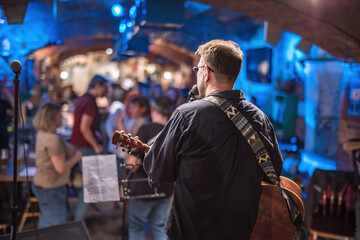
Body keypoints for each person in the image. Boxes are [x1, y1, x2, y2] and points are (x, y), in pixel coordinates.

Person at [143, 39, 283, 240]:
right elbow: (274, 172)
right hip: (240, 232)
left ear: (206, 72)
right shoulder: (260, 118)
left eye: (197, 69)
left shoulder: (186, 115)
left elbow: (158, 171)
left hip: (191, 231)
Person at [126, 96, 174, 240]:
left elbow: (133, 165)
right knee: (159, 226)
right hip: (166, 189)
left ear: (153, 110)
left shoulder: (145, 129)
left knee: (137, 226)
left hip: (143, 189)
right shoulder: (174, 131)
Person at [32, 102, 83, 228]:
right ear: (52, 118)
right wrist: (77, 157)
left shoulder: (44, 134)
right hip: (51, 186)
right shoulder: (52, 139)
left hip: (43, 184)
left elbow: (67, 150)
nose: (62, 117)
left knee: (47, 221)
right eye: (60, 114)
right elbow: (61, 168)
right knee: (55, 224)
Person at [70, 74, 108, 220]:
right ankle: (77, 222)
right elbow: (84, 128)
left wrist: (95, 133)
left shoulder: (83, 98)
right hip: (85, 148)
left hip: (78, 146)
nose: (107, 90)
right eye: (105, 87)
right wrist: (96, 145)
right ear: (98, 86)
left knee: (86, 185)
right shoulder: (90, 102)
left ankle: (78, 218)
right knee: (90, 187)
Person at [0, 83, 14, 150]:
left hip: (3, 133)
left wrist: (7, 93)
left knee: (4, 154)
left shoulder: (3, 102)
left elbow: (14, 107)